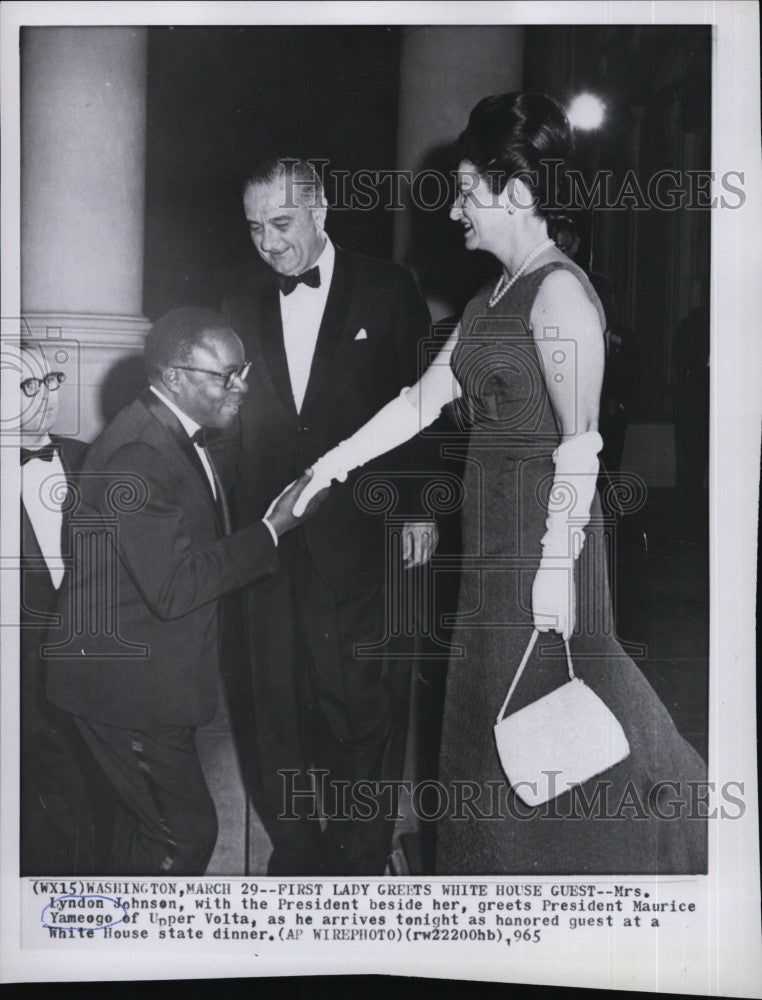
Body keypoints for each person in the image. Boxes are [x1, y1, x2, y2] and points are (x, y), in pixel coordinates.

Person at [295, 93, 707, 875]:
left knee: (564, 731)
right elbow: (421, 401)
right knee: (499, 733)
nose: (453, 210)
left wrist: (556, 570)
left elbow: (581, 448)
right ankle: (498, 882)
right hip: (490, 554)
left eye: (463, 189)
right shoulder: (489, 302)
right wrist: (330, 466)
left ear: (516, 192)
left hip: (543, 552)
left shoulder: (559, 294)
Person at [45, 308, 323, 875]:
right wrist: (274, 530)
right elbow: (176, 586)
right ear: (174, 377)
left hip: (142, 680)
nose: (241, 385)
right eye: (226, 375)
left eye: (241, 369)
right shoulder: (138, 456)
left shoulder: (164, 432)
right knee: (186, 836)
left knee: (147, 833)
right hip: (124, 694)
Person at [219, 156, 435, 876]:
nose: (269, 243)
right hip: (267, 534)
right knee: (274, 704)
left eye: (281, 224)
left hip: (360, 527)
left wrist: (418, 510)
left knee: (358, 702)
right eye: (255, 228)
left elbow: (420, 406)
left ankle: (359, 854)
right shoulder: (241, 296)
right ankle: (297, 849)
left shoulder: (389, 287)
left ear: (323, 210)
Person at [18, 342, 111, 873]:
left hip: (94, 656)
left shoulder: (88, 458)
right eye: (27, 385)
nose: (47, 396)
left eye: (50, 380)